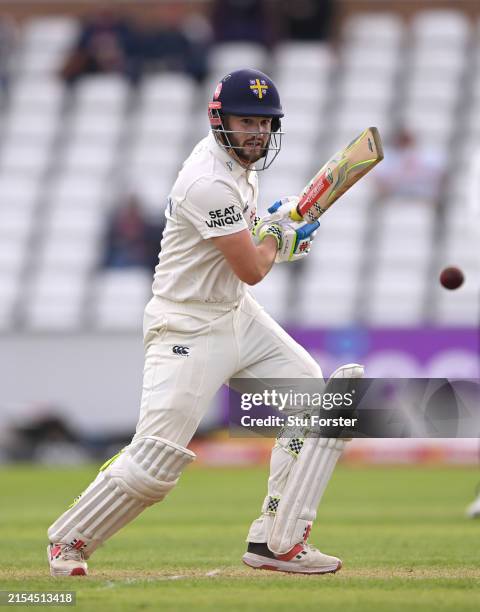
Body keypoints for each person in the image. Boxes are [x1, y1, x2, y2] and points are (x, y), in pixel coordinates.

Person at [46, 68, 363, 577]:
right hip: (186, 327)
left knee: (313, 394)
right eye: (246, 121)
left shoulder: (242, 166)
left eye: (266, 122)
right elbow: (253, 267)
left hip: (235, 312)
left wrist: (272, 227)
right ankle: (68, 540)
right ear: (219, 122)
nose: (258, 132)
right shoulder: (207, 182)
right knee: (156, 464)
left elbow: (243, 254)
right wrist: (282, 240)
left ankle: (276, 540)